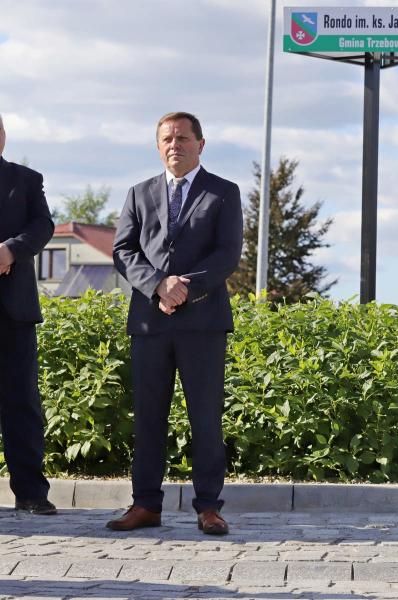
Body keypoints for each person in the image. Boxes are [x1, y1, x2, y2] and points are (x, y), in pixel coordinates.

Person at [108, 112, 242, 535]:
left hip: (203, 322)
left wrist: (184, 288)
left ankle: (209, 507)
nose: (174, 145)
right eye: (166, 139)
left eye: (183, 138)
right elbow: (123, 250)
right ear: (158, 145)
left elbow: (227, 254)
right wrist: (158, 286)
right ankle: (145, 504)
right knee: (149, 417)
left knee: (205, 416)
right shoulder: (139, 193)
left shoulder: (224, 192)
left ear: (200, 144)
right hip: (150, 323)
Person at [0, 114, 58, 516]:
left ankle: (31, 492)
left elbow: (43, 225)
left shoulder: (26, 180)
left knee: (22, 403)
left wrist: (11, 250)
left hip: (14, 312)